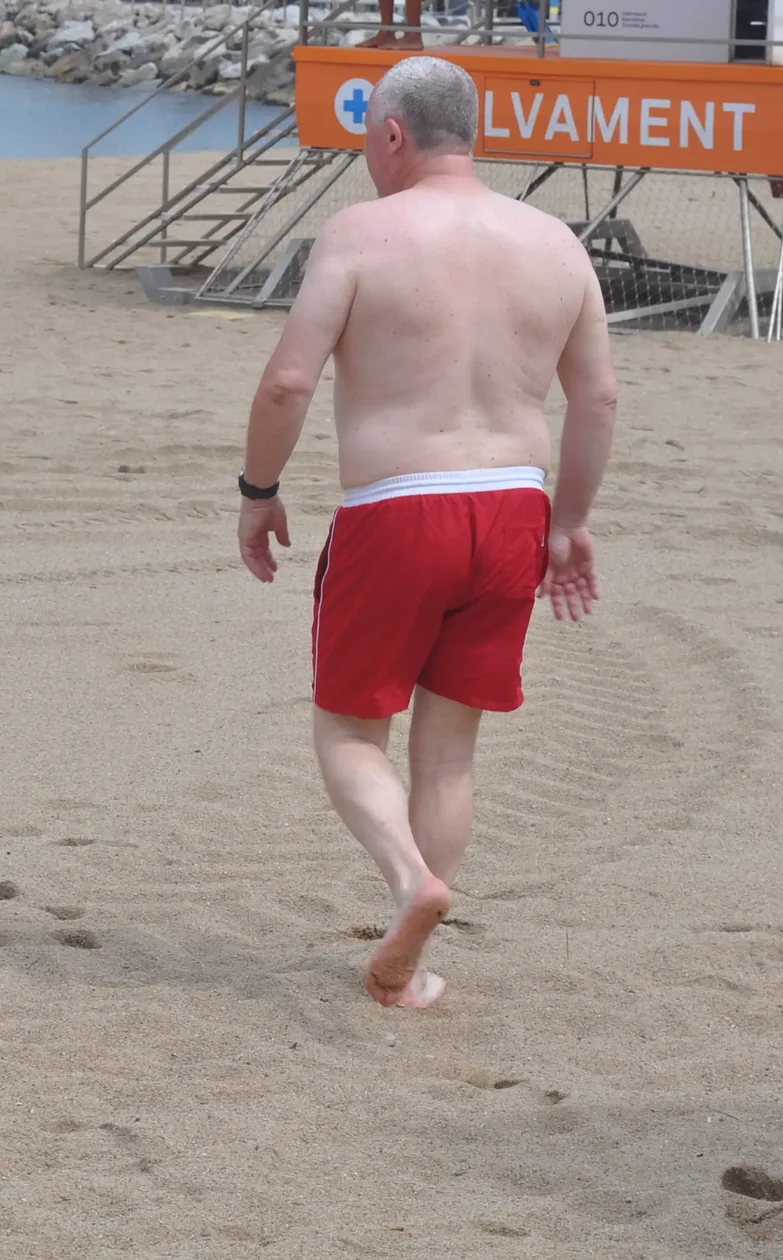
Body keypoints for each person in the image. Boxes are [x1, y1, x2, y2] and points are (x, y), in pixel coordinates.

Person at [235, 56, 619, 1008]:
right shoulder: (554, 242)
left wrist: (258, 489)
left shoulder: (361, 232)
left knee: (349, 734)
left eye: (371, 140)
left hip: (400, 507)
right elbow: (598, 395)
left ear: (394, 134)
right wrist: (568, 521)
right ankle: (414, 965)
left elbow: (288, 381)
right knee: (448, 752)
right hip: (515, 507)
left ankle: (413, 886)